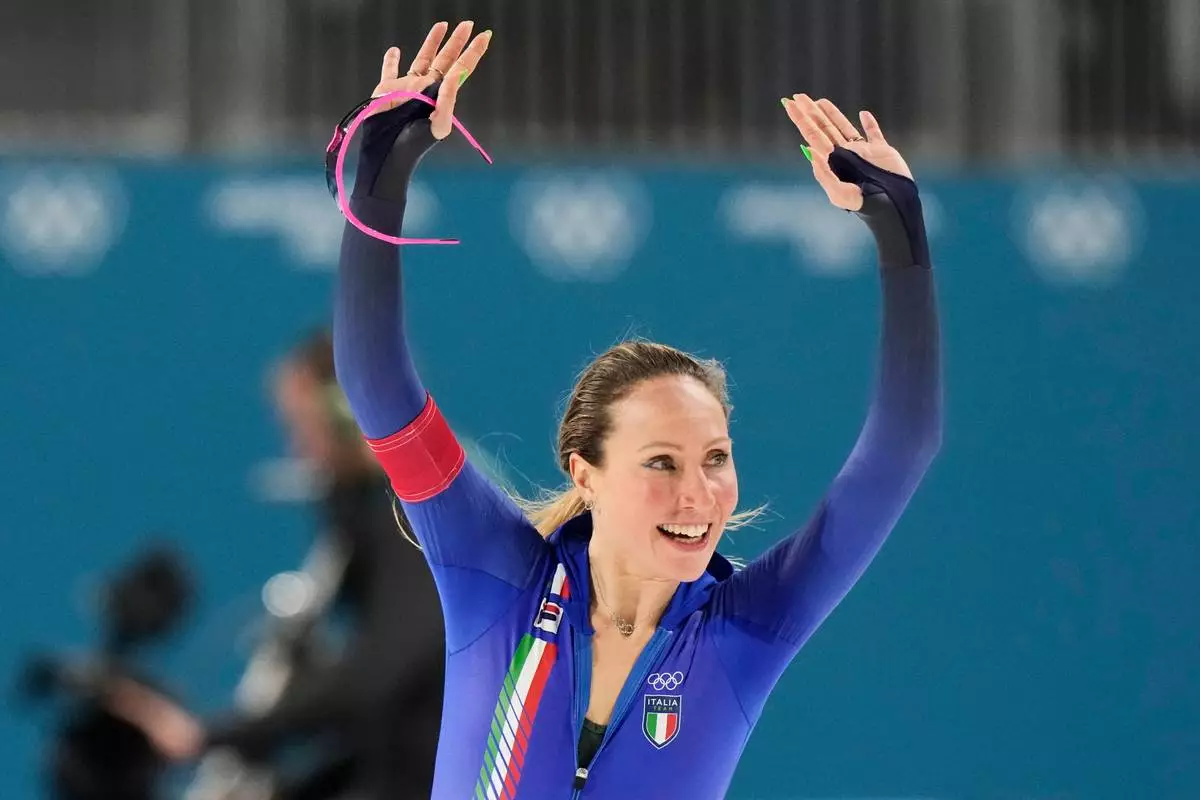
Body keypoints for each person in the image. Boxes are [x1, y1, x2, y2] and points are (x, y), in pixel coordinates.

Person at [332, 20, 942, 799]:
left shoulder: (746, 629)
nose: (700, 495)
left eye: (715, 459)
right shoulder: (497, 578)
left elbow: (902, 449)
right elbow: (378, 387)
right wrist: (382, 171)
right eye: (662, 461)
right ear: (585, 472)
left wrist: (901, 234)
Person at [103, 330, 446, 800]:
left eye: (302, 427)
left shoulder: (415, 519)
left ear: (350, 418)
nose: (298, 449)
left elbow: (377, 676)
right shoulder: (375, 515)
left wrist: (207, 736)